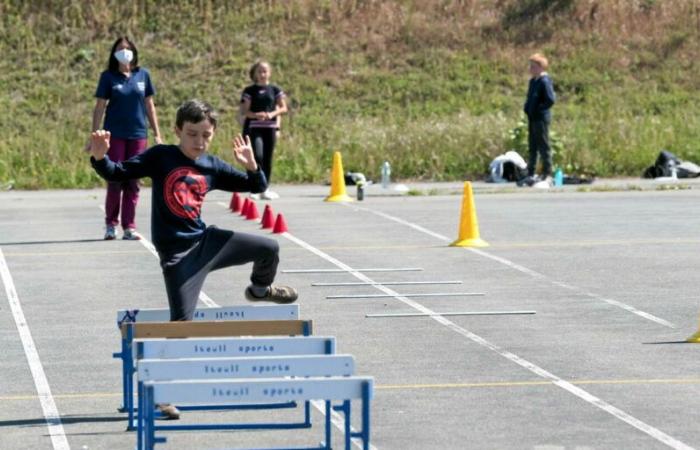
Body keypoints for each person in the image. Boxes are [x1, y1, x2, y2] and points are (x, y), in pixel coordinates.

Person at [89, 99, 298, 320]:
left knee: (269, 248)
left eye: (206, 135)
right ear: (178, 130)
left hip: (206, 242)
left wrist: (252, 166)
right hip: (177, 257)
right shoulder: (161, 156)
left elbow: (257, 186)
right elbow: (116, 173)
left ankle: (260, 291)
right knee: (182, 325)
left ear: (214, 133)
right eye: (192, 134)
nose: (199, 142)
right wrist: (100, 157)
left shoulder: (212, 166)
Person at [90, 36, 162, 240]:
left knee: (133, 181)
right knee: (114, 179)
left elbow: (150, 105)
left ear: (134, 51)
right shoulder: (108, 77)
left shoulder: (143, 75)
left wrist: (157, 133)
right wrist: (95, 135)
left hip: (138, 135)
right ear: (114, 53)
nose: (124, 51)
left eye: (127, 48)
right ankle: (110, 225)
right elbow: (99, 108)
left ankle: (129, 226)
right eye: (120, 49)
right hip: (115, 136)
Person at [239, 60, 288, 200]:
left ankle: (265, 188)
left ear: (269, 73)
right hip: (254, 128)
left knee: (267, 159)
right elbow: (244, 111)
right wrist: (256, 115)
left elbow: (283, 108)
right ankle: (254, 187)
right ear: (255, 74)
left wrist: (272, 115)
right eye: (259, 71)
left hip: (270, 129)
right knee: (257, 156)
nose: (262, 74)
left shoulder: (275, 90)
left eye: (265, 71)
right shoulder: (249, 91)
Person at [523, 53, 556, 186]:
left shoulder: (544, 81)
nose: (530, 69)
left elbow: (550, 99)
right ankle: (530, 173)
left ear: (541, 67)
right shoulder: (533, 81)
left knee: (543, 146)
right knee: (533, 146)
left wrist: (539, 109)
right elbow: (530, 98)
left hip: (540, 118)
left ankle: (547, 173)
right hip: (532, 118)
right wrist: (527, 108)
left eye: (533, 66)